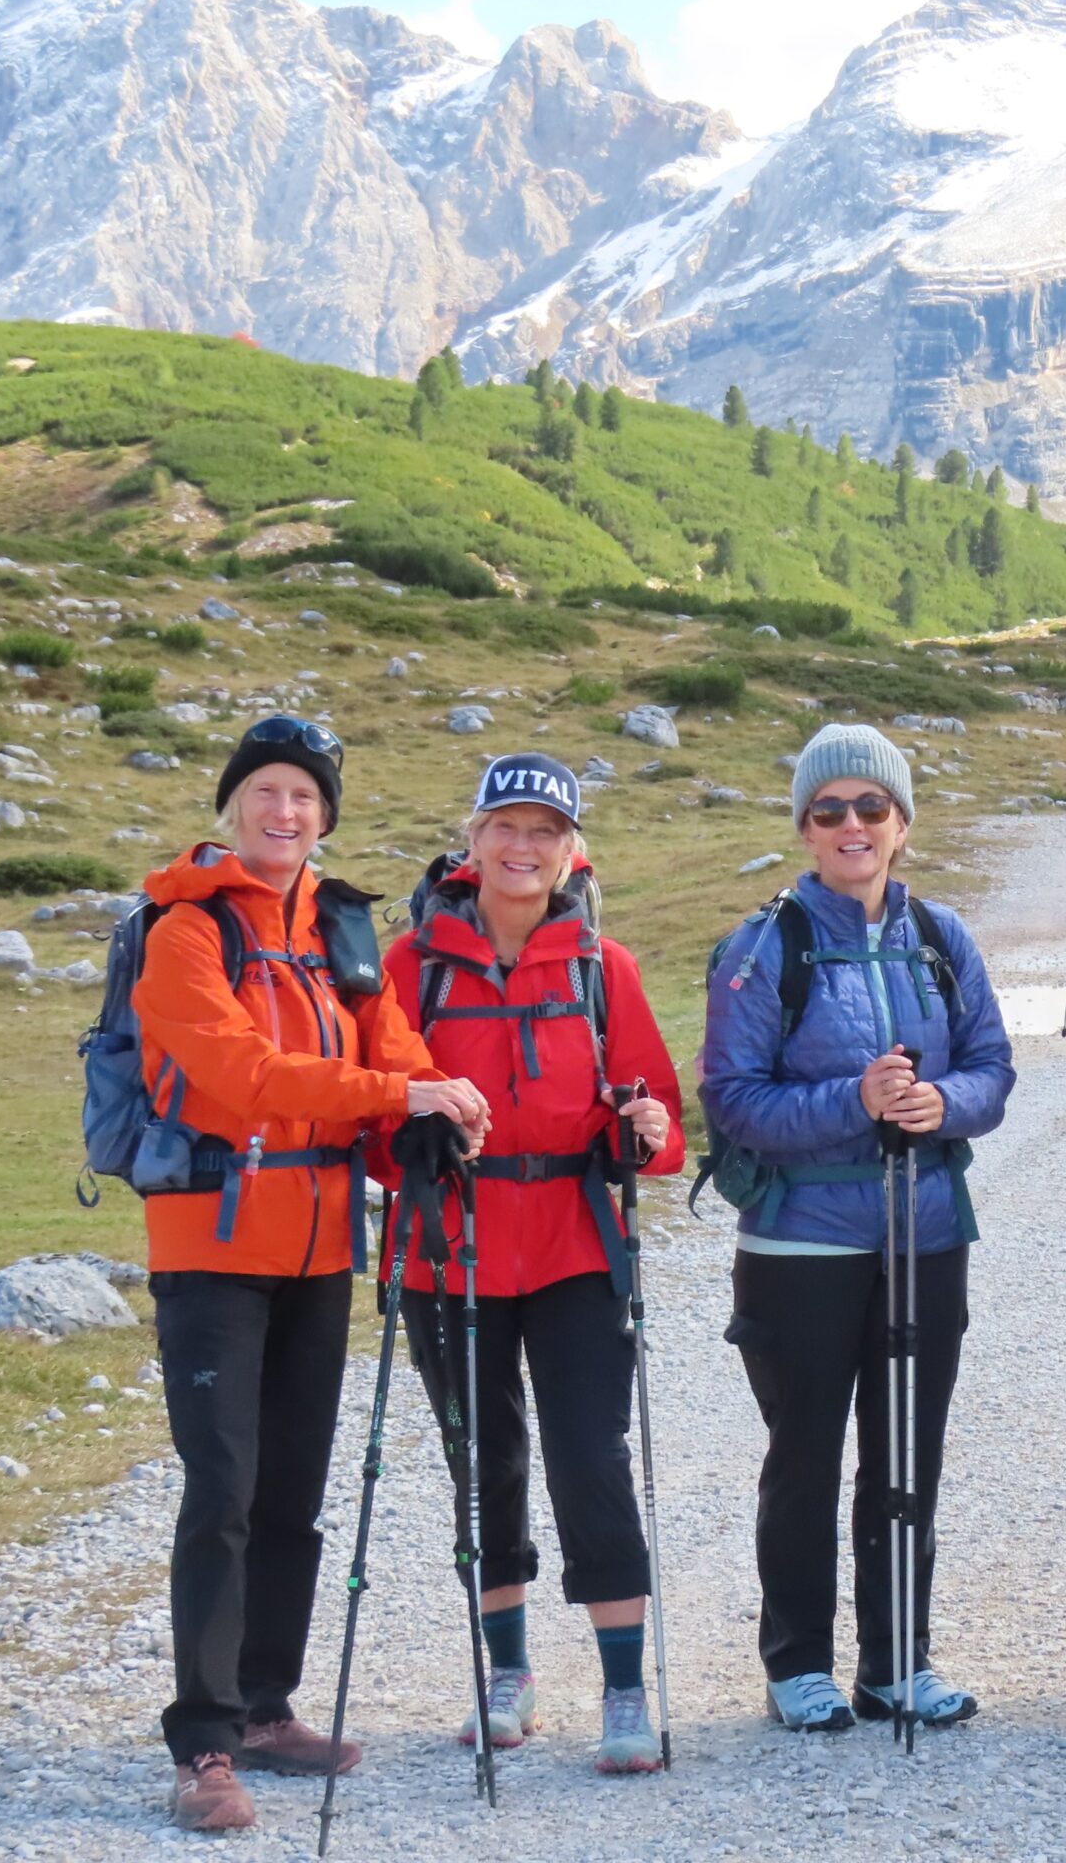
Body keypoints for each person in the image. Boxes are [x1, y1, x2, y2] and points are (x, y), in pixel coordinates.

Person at [134, 718, 489, 1832]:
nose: (284, 813)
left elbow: (396, 1043)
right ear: (232, 806)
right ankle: (202, 1745)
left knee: (291, 1489)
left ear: (325, 817)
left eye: (304, 797)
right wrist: (396, 1097)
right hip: (211, 1250)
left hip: (321, 1248)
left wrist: (438, 1103)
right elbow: (240, 1075)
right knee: (222, 1490)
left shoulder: (340, 930)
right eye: (266, 793)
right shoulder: (184, 931)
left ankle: (264, 1708)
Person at [376, 753, 686, 1775]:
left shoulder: (604, 967)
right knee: (484, 1461)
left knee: (591, 1457)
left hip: (572, 1248)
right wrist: (409, 1135)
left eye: (544, 831)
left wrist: (641, 1130)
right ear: (471, 840)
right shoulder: (410, 966)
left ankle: (625, 1688)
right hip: (447, 1251)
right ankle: (506, 1672)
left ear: (570, 850)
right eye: (505, 826)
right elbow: (368, 1118)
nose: (523, 846)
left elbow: (660, 1122)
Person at [701, 724, 1013, 1733]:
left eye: (871, 807)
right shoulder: (765, 947)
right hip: (799, 1241)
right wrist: (857, 1101)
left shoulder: (941, 938)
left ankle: (895, 1662)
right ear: (804, 827)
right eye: (828, 809)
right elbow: (732, 1100)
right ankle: (797, 1664)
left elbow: (993, 1067)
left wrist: (942, 1104)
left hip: (925, 1234)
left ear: (901, 824)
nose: (852, 825)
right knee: (804, 1458)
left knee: (907, 1456)